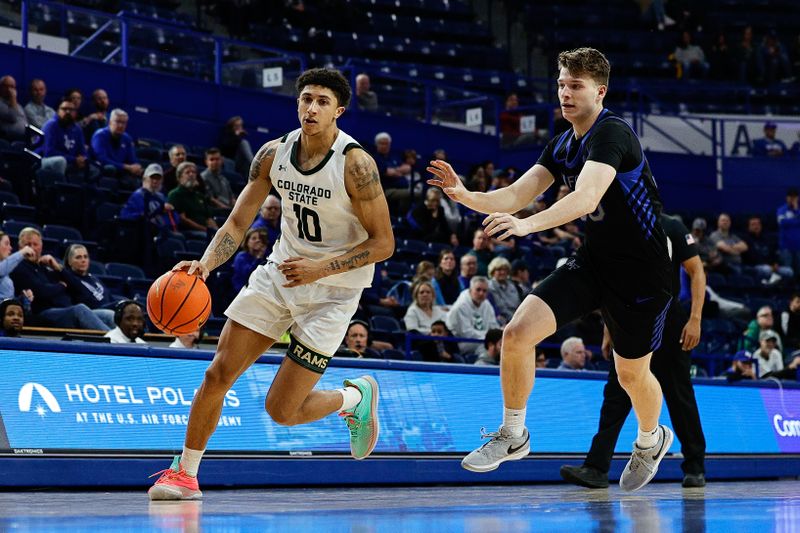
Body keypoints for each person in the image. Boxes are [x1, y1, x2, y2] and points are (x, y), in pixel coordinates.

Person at [428, 47, 674, 491]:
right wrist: (465, 195)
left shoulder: (612, 133)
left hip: (643, 272)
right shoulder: (562, 142)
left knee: (631, 374)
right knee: (517, 334)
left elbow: (586, 198)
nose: (565, 92)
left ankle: (650, 438)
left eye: (575, 85)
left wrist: (525, 226)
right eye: (561, 83)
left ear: (599, 91)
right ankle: (514, 433)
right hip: (594, 261)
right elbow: (518, 193)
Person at [148, 68, 394, 500]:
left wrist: (321, 270)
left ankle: (354, 399)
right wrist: (204, 265)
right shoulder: (272, 154)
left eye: (321, 101)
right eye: (305, 99)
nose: (311, 107)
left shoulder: (355, 164)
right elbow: (238, 221)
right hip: (280, 275)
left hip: (334, 292)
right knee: (217, 372)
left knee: (282, 411)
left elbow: (384, 243)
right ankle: (184, 474)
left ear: (339, 110)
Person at [560, 212, 708, 489]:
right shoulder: (619, 227)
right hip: (628, 320)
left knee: (679, 394)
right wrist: (608, 328)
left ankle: (695, 466)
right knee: (616, 395)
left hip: (667, 318)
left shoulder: (672, 225)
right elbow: (612, 284)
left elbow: (696, 270)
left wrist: (695, 318)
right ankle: (596, 467)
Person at [10, 227, 110, 331]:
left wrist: (57, 267)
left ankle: (123, 343)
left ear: (41, 246)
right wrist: (61, 286)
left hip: (66, 310)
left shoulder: (44, 267)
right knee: (80, 309)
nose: (31, 248)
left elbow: (77, 287)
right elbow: (41, 291)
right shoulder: (19, 267)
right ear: (20, 247)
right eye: (27, 245)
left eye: (35, 244)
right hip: (44, 313)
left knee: (108, 315)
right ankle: (115, 343)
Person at [61, 244, 116, 329]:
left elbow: (110, 298)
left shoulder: (94, 278)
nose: (83, 260)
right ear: (69, 261)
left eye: (85, 257)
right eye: (78, 257)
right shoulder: (70, 278)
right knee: (112, 315)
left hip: (107, 310)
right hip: (90, 314)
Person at [445, 276, 499, 360]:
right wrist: (488, 337)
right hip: (461, 342)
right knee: (485, 345)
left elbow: (493, 326)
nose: (481, 293)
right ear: (470, 290)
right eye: (478, 290)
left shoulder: (486, 304)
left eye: (484, 291)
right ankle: (483, 365)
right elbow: (467, 333)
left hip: (481, 339)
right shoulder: (460, 306)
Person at [90, 108, 142, 189]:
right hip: (102, 170)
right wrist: (126, 167)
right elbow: (102, 159)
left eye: (123, 123)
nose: (121, 125)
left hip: (121, 171)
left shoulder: (127, 138)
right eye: (118, 122)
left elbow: (132, 160)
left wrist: (136, 167)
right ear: (110, 122)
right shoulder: (100, 135)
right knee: (110, 168)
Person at [167, 162, 219, 239]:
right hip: (188, 231)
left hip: (206, 231)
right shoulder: (175, 194)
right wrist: (205, 230)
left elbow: (209, 219)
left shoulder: (200, 196)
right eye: (187, 172)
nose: (191, 174)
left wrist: (218, 232)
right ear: (179, 177)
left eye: (193, 172)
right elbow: (183, 220)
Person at [40, 97, 89, 177]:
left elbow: (82, 151)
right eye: (64, 109)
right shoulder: (51, 125)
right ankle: (58, 188)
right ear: (58, 111)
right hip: (44, 160)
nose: (68, 112)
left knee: (94, 168)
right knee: (60, 161)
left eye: (71, 110)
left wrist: (83, 159)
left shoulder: (77, 129)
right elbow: (49, 152)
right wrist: (74, 159)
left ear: (76, 113)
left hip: (70, 161)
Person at [231, 227, 269, 293]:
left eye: (260, 239)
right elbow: (247, 275)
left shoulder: (265, 255)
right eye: (254, 238)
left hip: (259, 289)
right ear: (247, 241)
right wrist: (259, 257)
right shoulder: (241, 256)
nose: (258, 240)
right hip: (242, 290)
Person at [0, 230, 35, 300]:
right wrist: (22, 252)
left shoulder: (6, 271)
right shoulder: (3, 269)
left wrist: (22, 298)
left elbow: (6, 300)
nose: (10, 248)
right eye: (6, 244)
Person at [487, 256, 521, 324]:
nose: (502, 272)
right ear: (493, 272)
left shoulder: (512, 285)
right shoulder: (490, 286)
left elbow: (518, 304)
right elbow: (501, 307)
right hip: (502, 320)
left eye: (505, 269)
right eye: (499, 270)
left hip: (516, 318)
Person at [0, 75, 27, 142]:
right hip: (8, 140)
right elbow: (13, 117)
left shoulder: (18, 105)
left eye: (12, 87)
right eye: (6, 86)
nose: (9, 90)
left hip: (24, 140)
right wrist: (13, 98)